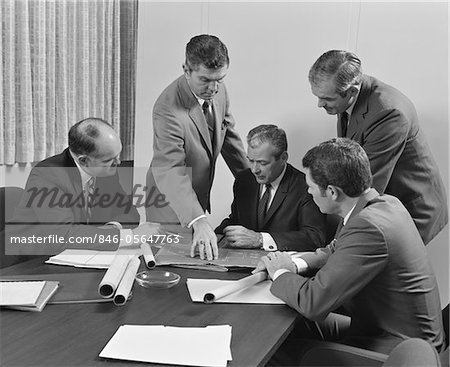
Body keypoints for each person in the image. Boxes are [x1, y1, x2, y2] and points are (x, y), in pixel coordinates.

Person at [254, 138, 444, 364]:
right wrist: (293, 264)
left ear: (332, 192)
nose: (308, 192)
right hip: (384, 330)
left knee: (271, 352)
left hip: (396, 351)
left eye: (311, 187)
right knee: (290, 327)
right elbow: (334, 250)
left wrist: (280, 273)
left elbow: (313, 302)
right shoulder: (382, 204)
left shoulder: (369, 228)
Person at [308, 50, 448, 245]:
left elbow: (363, 186)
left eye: (327, 99)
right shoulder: (345, 95)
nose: (319, 104)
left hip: (411, 210)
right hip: (382, 203)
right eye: (318, 96)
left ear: (352, 91)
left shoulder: (388, 113)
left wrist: (335, 247)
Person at [146, 34, 249, 261]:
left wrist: (254, 180)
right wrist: (198, 219)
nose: (213, 88)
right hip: (169, 200)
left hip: (196, 194)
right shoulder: (167, 109)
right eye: (205, 80)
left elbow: (228, 137)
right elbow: (170, 169)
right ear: (186, 70)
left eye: (219, 79)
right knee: (173, 265)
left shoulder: (218, 89)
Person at [4, 118, 159, 255]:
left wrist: (111, 228)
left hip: (77, 255)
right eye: (109, 160)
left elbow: (130, 214)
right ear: (84, 160)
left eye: (117, 155)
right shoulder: (47, 175)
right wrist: (130, 236)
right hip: (28, 261)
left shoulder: (105, 170)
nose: (117, 163)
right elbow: (62, 235)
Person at [216, 124, 326, 252]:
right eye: (251, 161)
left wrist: (260, 239)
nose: (254, 170)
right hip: (242, 264)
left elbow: (315, 238)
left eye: (262, 163)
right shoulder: (243, 180)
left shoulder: (305, 187)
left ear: (283, 158)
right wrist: (215, 235)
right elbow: (236, 220)